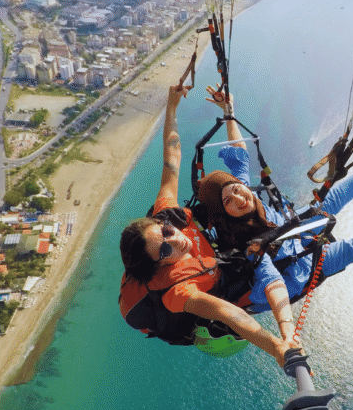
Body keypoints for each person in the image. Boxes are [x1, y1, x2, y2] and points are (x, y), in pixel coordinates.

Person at [198, 85, 353, 325]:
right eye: (228, 201)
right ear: (223, 212)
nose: (239, 198)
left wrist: (229, 112)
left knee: (332, 199)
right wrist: (286, 328)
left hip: (294, 228)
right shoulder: (241, 243)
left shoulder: (243, 192)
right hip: (297, 269)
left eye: (236, 189)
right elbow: (272, 286)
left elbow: (239, 154)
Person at [119, 84, 299, 366]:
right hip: (218, 283)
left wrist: (171, 106)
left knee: (237, 180)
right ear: (160, 265)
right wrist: (278, 347)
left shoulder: (167, 215)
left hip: (214, 250)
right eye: (165, 250)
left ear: (161, 222)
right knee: (291, 274)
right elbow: (229, 314)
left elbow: (172, 157)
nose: (175, 240)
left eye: (166, 232)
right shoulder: (177, 291)